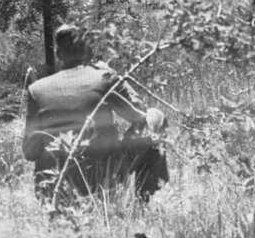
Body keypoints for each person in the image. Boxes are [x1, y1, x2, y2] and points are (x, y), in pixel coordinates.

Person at [22, 24, 170, 201]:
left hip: (54, 187)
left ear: (59, 54)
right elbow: (140, 118)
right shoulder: (104, 79)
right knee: (156, 117)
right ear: (89, 51)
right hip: (102, 180)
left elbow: (29, 152)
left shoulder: (36, 89)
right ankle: (142, 200)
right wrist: (112, 75)